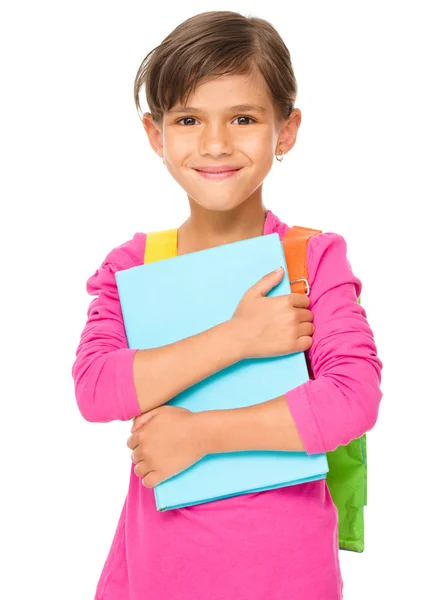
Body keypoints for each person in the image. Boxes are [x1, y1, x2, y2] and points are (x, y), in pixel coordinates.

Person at [71, 10, 383, 600]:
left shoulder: (312, 258)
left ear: (285, 131)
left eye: (243, 117)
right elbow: (95, 388)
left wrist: (203, 434)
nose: (215, 143)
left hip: (288, 578)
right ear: (155, 134)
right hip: (154, 575)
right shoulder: (132, 266)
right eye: (189, 119)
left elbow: (353, 398)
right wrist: (238, 337)